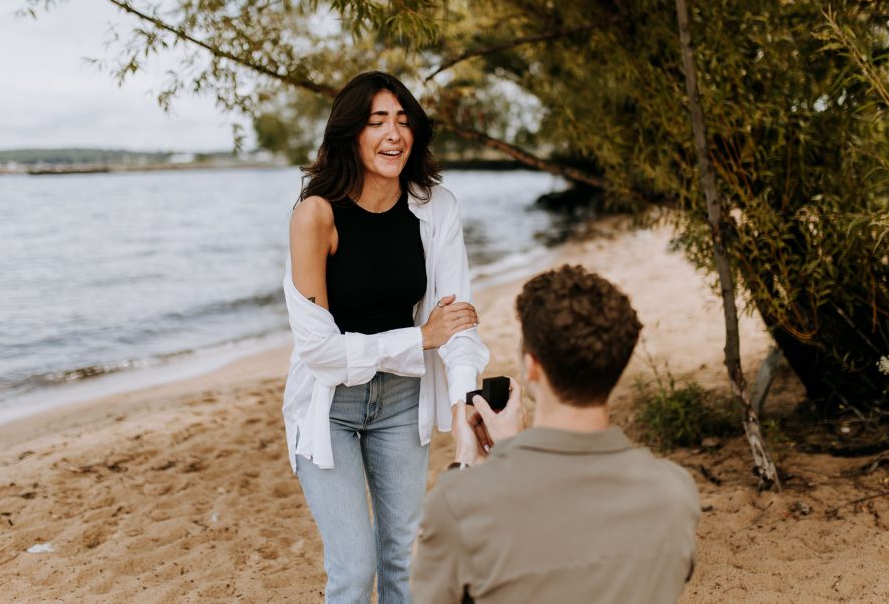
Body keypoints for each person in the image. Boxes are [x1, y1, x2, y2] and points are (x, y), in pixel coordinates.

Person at [282, 70, 490, 603]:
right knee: (353, 571)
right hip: (328, 410)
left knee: (405, 559)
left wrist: (467, 395)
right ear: (350, 134)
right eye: (377, 122)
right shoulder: (315, 216)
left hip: (403, 402)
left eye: (403, 121)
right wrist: (418, 338)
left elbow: (457, 321)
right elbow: (322, 354)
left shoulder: (435, 207)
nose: (393, 134)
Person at [411, 265, 700, 604]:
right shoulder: (673, 493)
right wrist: (513, 453)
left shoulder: (464, 503)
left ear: (532, 367)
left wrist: (464, 461)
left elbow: (428, 589)